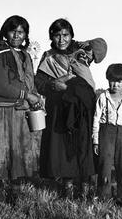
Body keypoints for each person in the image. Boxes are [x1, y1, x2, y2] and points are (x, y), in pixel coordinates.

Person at [35, 18, 107, 199]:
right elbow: (40, 83)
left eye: (66, 35)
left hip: (83, 107)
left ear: (72, 35)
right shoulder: (48, 57)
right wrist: (53, 85)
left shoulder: (81, 52)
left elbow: (101, 47)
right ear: (51, 36)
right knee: (63, 148)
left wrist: (88, 46)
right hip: (60, 108)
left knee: (83, 144)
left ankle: (84, 188)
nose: (61, 39)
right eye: (57, 35)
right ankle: (67, 189)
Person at [0, 15, 42, 201]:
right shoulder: (0, 54)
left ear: (26, 34)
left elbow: (29, 82)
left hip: (19, 110)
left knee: (18, 153)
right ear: (5, 32)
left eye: (21, 31)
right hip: (1, 110)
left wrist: (35, 98)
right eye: (13, 31)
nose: (17, 35)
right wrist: (27, 95)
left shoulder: (25, 55)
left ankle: (16, 196)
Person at [93, 64, 122, 206]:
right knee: (105, 166)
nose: (115, 84)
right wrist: (96, 141)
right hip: (106, 132)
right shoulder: (103, 97)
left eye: (119, 81)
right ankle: (104, 197)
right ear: (108, 80)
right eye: (112, 81)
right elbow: (96, 118)